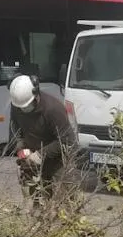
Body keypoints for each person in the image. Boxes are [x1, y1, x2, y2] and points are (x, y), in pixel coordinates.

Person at [8, 75, 78, 203]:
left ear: (36, 94)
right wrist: (20, 147)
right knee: (37, 201)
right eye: (21, 107)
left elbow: (67, 141)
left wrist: (39, 155)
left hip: (59, 161)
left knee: (63, 201)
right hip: (32, 161)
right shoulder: (17, 105)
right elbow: (15, 128)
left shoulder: (53, 109)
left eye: (27, 106)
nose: (24, 109)